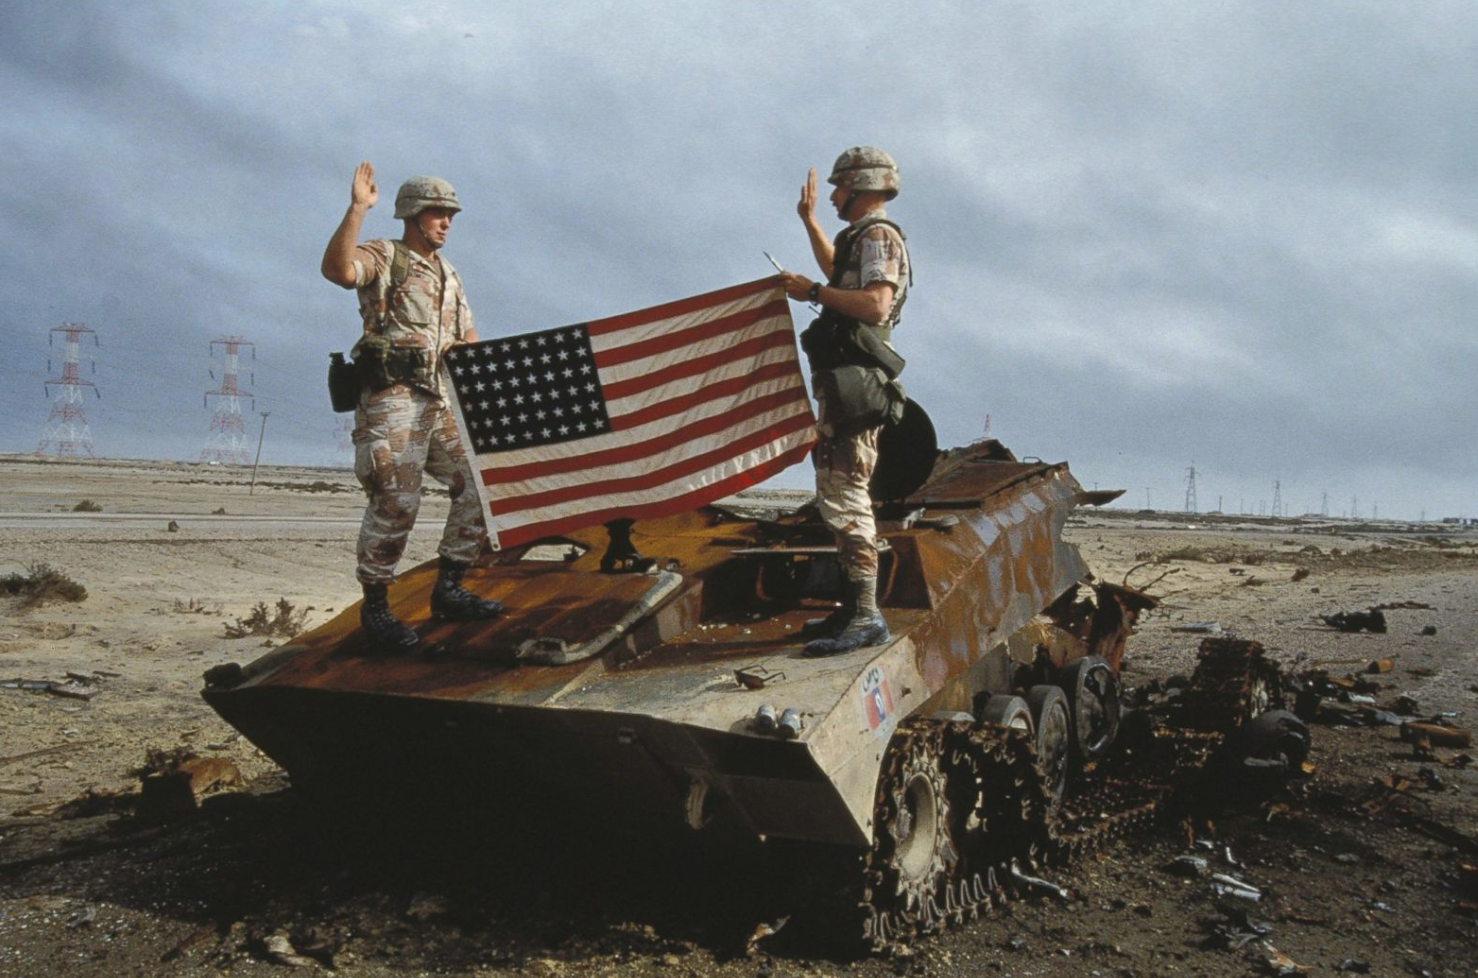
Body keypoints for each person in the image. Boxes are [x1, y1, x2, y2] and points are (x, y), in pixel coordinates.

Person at [320, 161, 503, 649]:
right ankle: (376, 608)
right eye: (439, 213)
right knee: (397, 502)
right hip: (392, 402)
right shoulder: (386, 257)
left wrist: (466, 356)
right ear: (413, 214)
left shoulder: (449, 274)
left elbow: (467, 334)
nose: (446, 222)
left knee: (482, 482)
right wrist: (358, 209)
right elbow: (338, 270)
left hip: (438, 402)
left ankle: (450, 587)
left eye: (450, 215)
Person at [778, 146, 911, 656]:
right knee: (836, 489)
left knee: (846, 492)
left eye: (839, 188)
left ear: (862, 186)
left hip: (857, 383)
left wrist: (811, 291)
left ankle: (865, 615)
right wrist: (811, 225)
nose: (833, 196)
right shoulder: (862, 238)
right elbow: (843, 277)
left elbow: (875, 303)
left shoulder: (878, 234)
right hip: (844, 382)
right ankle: (852, 608)